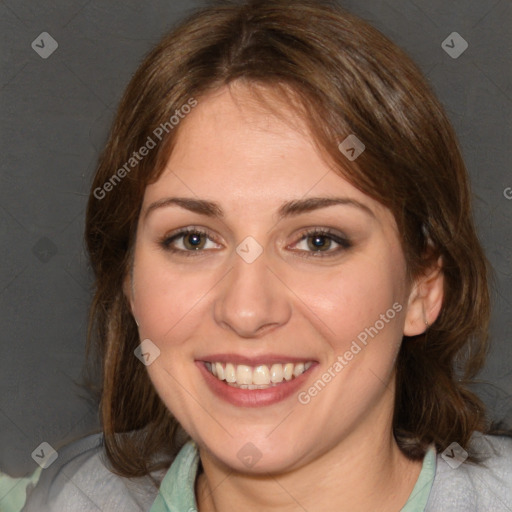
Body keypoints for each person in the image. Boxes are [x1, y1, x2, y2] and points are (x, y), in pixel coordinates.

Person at [13, 0, 512, 510]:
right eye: (192, 239)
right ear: (129, 279)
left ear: (422, 287)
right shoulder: (65, 498)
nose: (247, 310)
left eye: (319, 241)